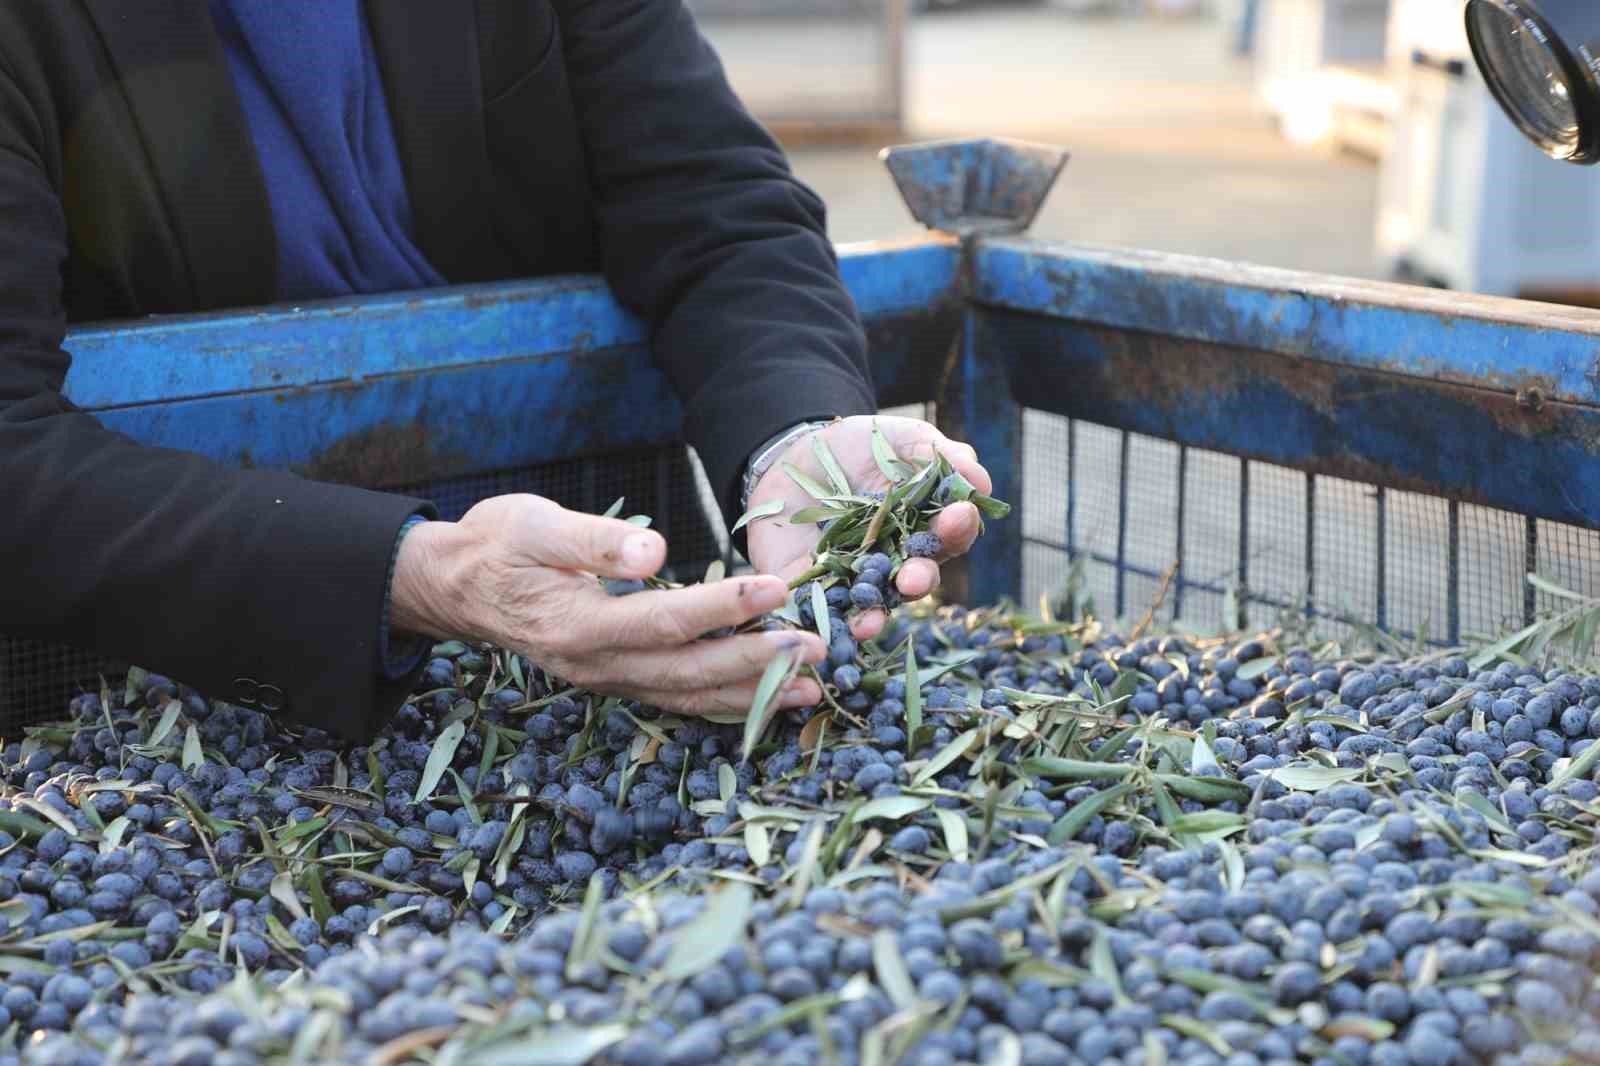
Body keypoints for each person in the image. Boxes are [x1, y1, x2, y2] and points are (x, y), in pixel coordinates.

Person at [0, 1, 991, 740]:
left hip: (617, 669)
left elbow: (717, 211)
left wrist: (796, 439)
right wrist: (421, 572)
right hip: (165, 698)